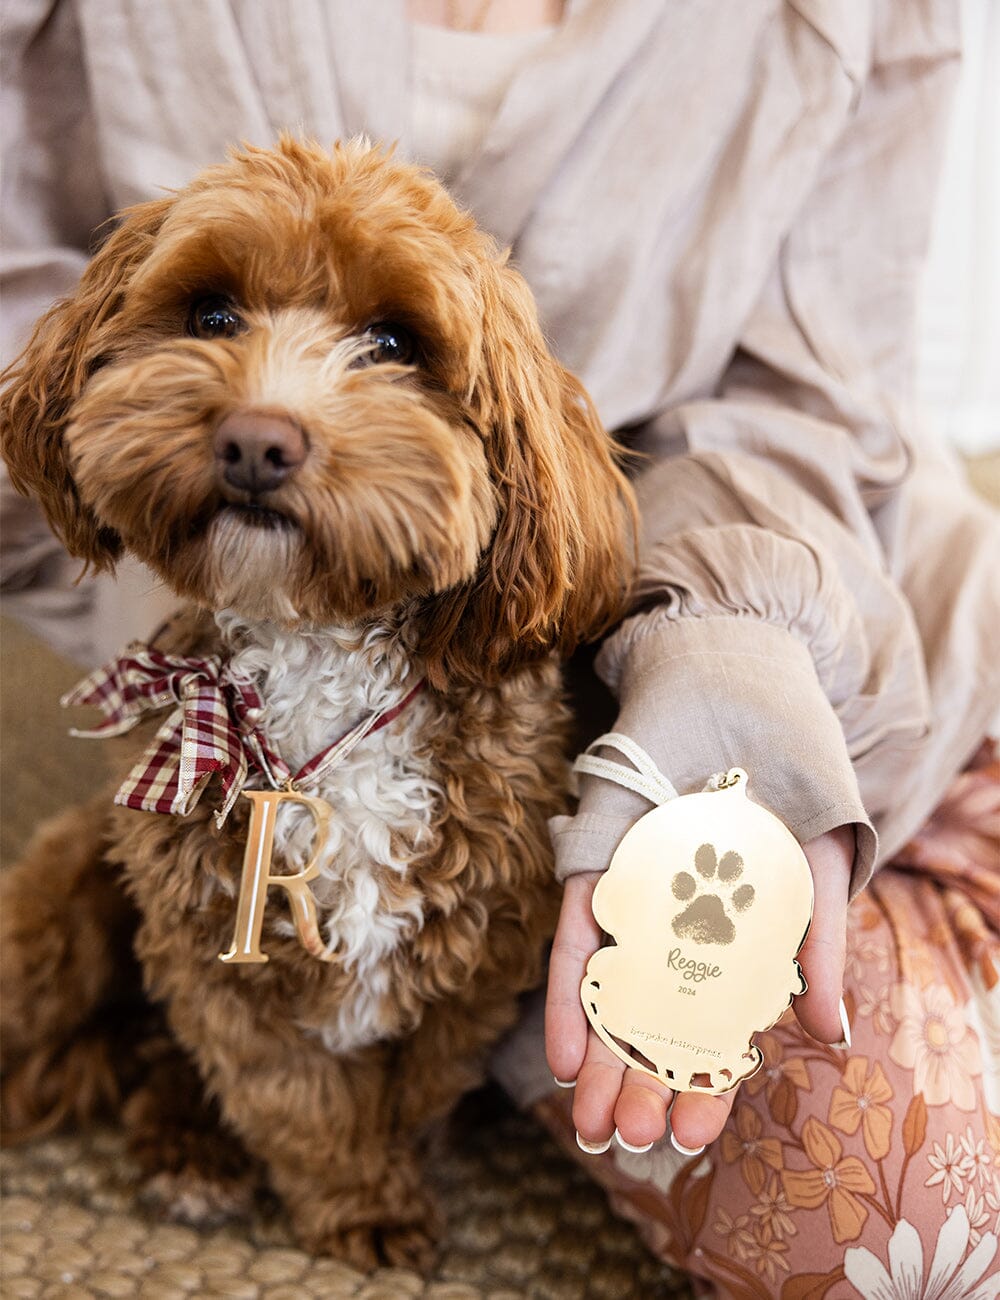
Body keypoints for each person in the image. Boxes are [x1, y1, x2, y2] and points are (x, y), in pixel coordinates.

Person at [3, 0, 998, 1292]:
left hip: (781, 601)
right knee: (902, 1210)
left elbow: (800, 404)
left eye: (390, 344)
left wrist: (733, 674)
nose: (270, 413)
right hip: (242, 674)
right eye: (216, 316)